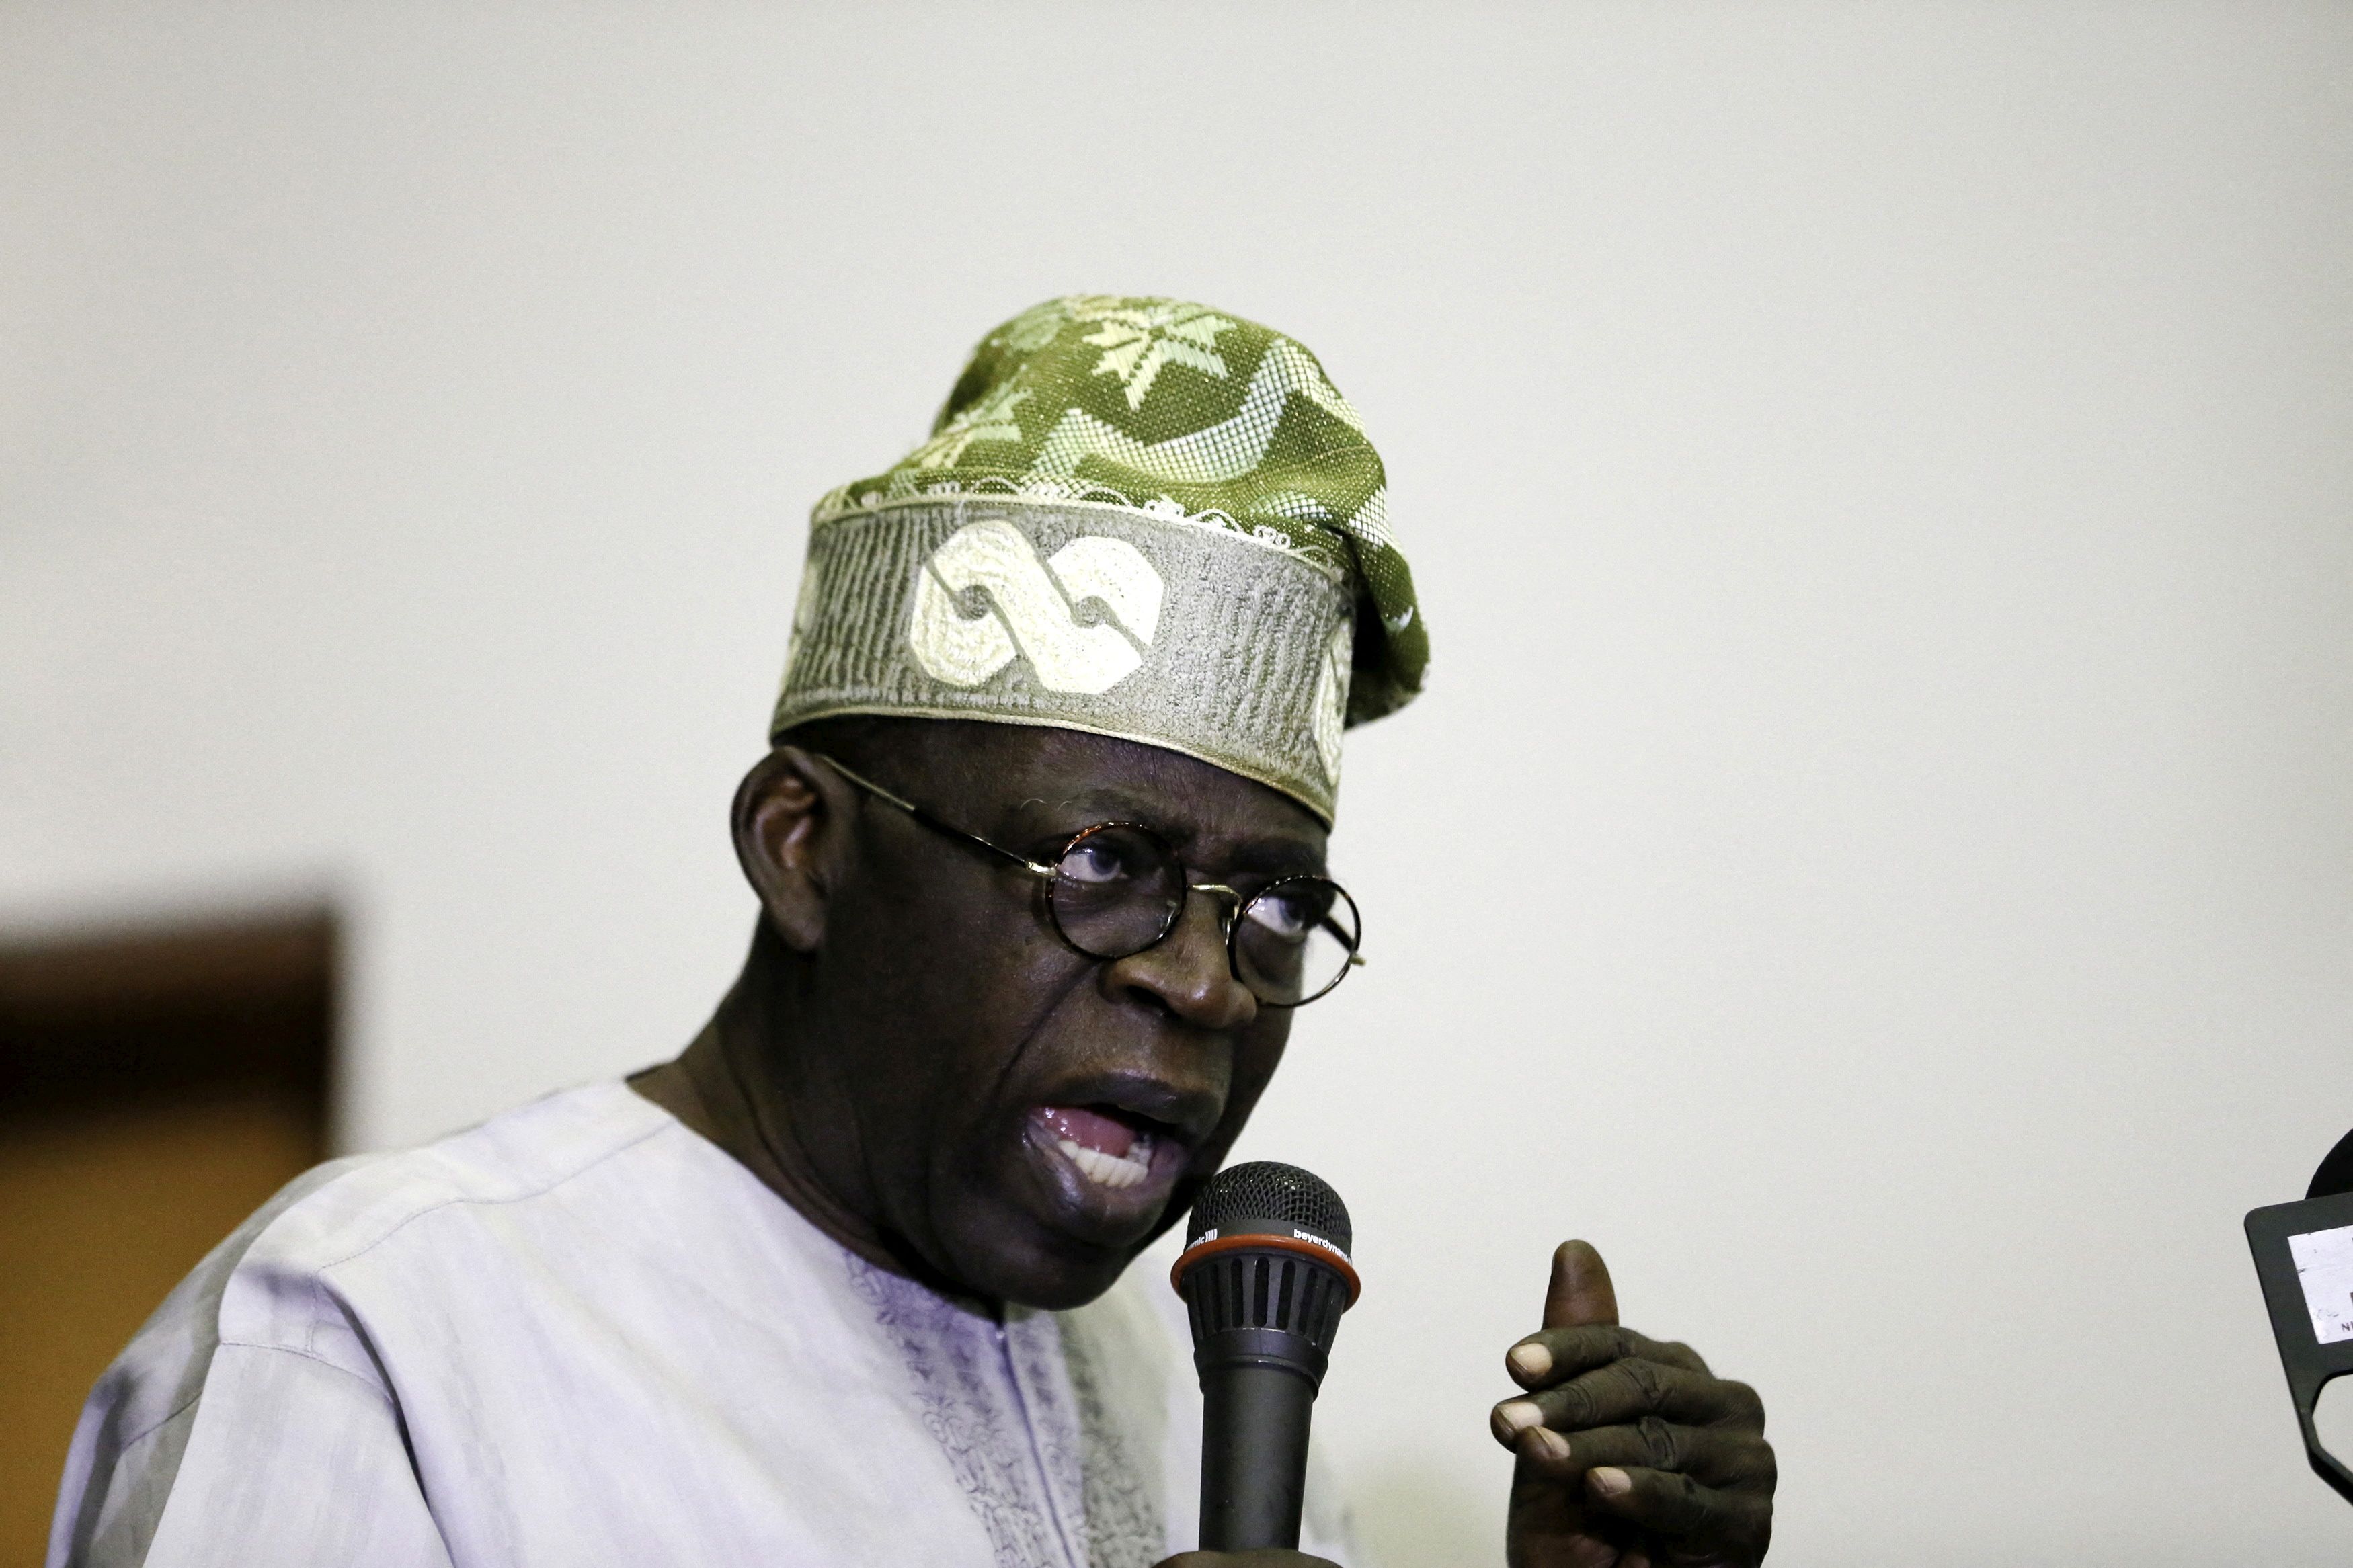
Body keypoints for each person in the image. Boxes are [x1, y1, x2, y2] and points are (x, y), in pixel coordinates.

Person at [50, 296, 1774, 1568]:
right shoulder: (387, 1340)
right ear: (803, 850)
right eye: (1101, 859)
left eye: (1270, 906)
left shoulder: (1208, 1417)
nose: (1200, 979)